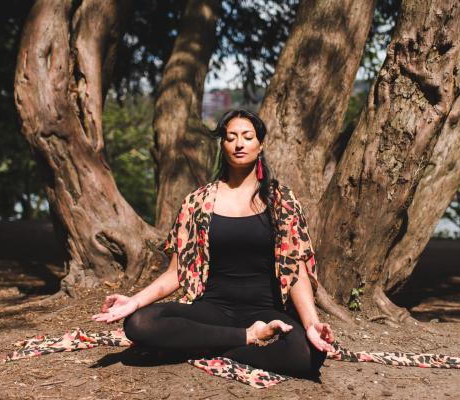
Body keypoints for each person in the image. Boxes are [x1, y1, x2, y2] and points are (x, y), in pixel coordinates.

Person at [92, 109, 335, 379]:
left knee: (308, 354)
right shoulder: (198, 202)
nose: (239, 144)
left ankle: (206, 346)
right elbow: (176, 273)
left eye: (247, 136)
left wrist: (312, 323)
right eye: (230, 137)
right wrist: (134, 302)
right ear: (222, 144)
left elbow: (296, 272)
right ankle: (244, 338)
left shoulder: (282, 202)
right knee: (139, 323)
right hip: (213, 310)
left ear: (260, 144)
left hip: (266, 310)